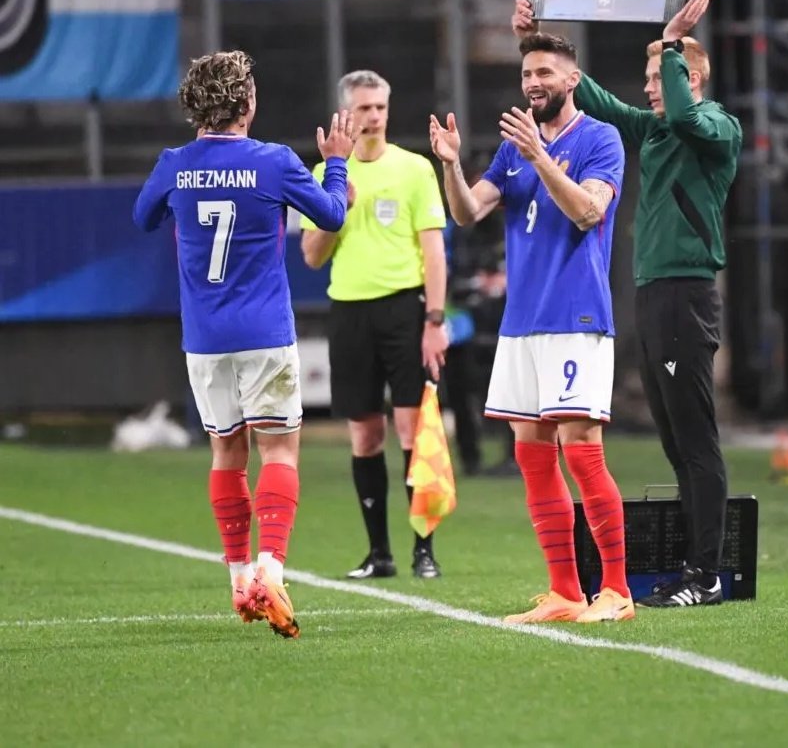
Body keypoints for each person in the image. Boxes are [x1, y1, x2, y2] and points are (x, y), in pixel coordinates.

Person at [513, 0, 742, 608]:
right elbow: (593, 99)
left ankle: (709, 572)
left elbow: (692, 120)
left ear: (688, 78)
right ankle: (696, 568)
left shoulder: (713, 124)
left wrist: (670, 39)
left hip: (687, 294)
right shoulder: (658, 131)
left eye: (658, 77)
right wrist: (537, 42)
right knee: (674, 438)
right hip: (654, 295)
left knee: (695, 438)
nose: (647, 90)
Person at [133, 50, 356, 638]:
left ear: (194, 108)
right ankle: (270, 569)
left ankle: (238, 580)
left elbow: (142, 217)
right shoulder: (275, 162)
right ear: (247, 103)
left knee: (225, 454)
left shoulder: (174, 164)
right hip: (263, 333)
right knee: (278, 454)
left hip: (204, 339)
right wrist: (335, 164)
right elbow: (332, 216)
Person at [430, 32, 634, 624]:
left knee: (582, 451)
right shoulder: (512, 148)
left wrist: (540, 158)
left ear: (572, 80)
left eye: (545, 72)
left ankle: (616, 591)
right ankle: (566, 593)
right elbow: (468, 213)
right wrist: (449, 165)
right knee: (532, 453)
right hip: (523, 323)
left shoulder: (601, 139)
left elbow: (588, 210)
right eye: (526, 74)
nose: (533, 82)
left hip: (576, 315)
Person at [300, 70, 449, 581]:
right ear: (345, 113)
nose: (374, 117)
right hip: (350, 311)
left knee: (413, 430)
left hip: (405, 310)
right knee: (364, 435)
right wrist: (335, 212)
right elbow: (312, 257)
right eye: (363, 109)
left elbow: (434, 251)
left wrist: (435, 319)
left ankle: (423, 549)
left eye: (380, 108)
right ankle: (379, 552)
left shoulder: (414, 169)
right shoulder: (326, 176)